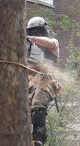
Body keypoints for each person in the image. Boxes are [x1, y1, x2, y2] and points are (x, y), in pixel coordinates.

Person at [26, 17, 61, 146]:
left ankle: (38, 137)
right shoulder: (30, 52)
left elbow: (49, 43)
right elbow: (29, 70)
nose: (35, 35)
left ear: (44, 32)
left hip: (47, 80)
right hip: (31, 82)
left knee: (38, 102)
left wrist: (30, 38)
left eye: (38, 32)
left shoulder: (52, 44)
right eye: (33, 33)